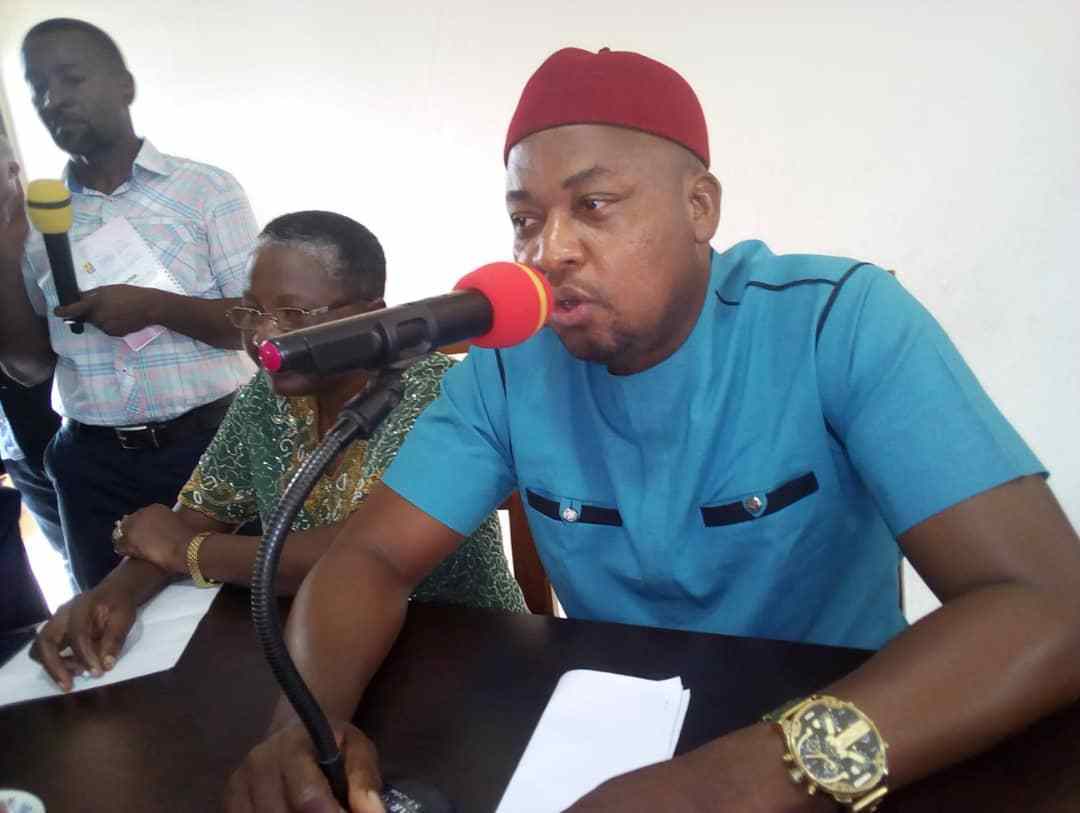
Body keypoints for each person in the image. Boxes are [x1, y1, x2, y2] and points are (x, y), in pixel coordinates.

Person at [224, 47, 1080, 813]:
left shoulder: (840, 322)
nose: (548, 251)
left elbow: (1048, 603)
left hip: (861, 732)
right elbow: (370, 557)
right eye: (525, 219)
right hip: (614, 738)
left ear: (699, 206)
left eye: (594, 204)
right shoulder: (508, 365)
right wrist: (305, 724)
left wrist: (737, 781)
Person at [28, 210, 526, 688]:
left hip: (461, 651)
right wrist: (114, 593)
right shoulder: (267, 396)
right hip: (322, 647)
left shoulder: (438, 393)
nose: (263, 335)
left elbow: (356, 555)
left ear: (371, 314)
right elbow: (195, 516)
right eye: (252, 311)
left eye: (292, 314)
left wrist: (186, 552)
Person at [0, 19, 258, 591]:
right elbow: (29, 367)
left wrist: (157, 307)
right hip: (91, 466)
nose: (53, 99)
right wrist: (1, 250)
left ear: (125, 86)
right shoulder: (34, 222)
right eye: (38, 88)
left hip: (215, 449)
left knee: (240, 615)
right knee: (108, 627)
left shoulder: (207, 190)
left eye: (70, 78)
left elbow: (255, 324)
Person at [0, 133, 66, 579]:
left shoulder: (52, 234)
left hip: (66, 432)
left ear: (12, 170)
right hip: (18, 446)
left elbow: (32, 365)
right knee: (75, 564)